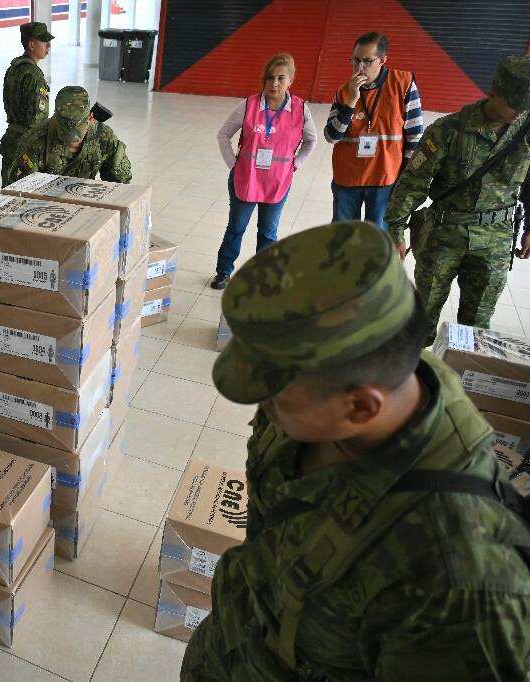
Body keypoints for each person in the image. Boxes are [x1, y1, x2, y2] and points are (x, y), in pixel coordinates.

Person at [181, 220, 530, 682]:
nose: (262, 405)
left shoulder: (459, 583)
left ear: (362, 407)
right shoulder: (351, 374)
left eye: (274, 393)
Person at [386, 55, 530, 346]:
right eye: (513, 104)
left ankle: (462, 382)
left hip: (496, 241)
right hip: (443, 236)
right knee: (422, 319)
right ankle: (416, 380)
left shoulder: (526, 132)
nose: (519, 113)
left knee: (476, 329)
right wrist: (396, 230)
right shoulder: (449, 130)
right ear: (493, 93)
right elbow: (413, 183)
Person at [210, 53, 316, 290]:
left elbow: (312, 141)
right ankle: (223, 272)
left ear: (291, 81)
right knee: (236, 228)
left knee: (268, 232)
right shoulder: (248, 105)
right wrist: (233, 163)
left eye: (281, 78)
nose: (274, 84)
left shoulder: (300, 109)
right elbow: (223, 134)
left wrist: (295, 164)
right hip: (246, 178)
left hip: (277, 182)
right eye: (270, 78)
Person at [325, 32, 423, 229]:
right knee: (343, 237)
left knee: (377, 239)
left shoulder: (403, 84)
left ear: (383, 60)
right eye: (355, 60)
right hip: (347, 177)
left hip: (384, 177)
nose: (359, 68)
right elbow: (331, 136)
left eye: (367, 61)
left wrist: (404, 178)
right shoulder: (344, 91)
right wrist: (351, 102)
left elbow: (415, 135)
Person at [2, 86, 132, 185]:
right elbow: (18, 190)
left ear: (91, 118)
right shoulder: (36, 140)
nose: (72, 141)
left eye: (77, 130)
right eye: (65, 130)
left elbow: (120, 183)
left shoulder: (104, 136)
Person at [0, 21, 52, 186]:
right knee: (24, 194)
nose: (48, 46)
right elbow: (38, 119)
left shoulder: (14, 67)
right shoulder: (34, 76)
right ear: (31, 44)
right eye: (44, 42)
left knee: (8, 189)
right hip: (26, 144)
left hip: (11, 138)